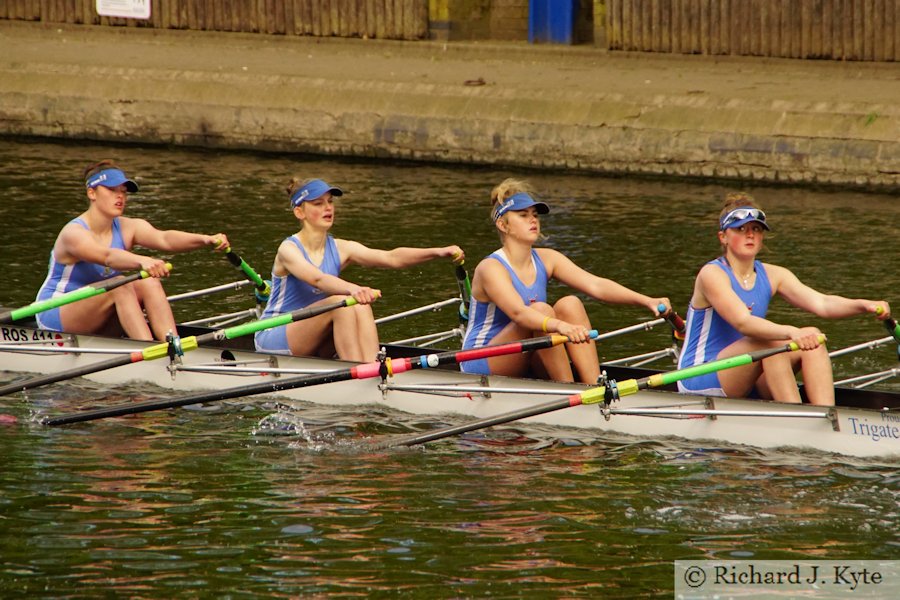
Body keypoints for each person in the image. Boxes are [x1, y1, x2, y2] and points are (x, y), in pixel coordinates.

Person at [676, 192, 891, 406]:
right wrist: (791, 332)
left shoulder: (774, 274)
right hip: (700, 375)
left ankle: (827, 415)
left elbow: (822, 303)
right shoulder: (711, 274)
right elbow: (743, 322)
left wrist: (864, 305)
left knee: (813, 336)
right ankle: (797, 417)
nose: (749, 235)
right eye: (740, 229)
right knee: (771, 340)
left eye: (756, 229)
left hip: (746, 370)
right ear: (723, 237)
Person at [460, 178, 671, 384]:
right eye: (523, 215)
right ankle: (569, 392)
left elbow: (596, 285)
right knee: (541, 310)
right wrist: (561, 326)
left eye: (535, 215)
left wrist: (646, 300)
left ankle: (594, 387)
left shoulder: (547, 258)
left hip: (523, 351)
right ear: (502, 225)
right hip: (481, 359)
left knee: (570, 303)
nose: (533, 220)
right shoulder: (491, 268)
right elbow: (519, 313)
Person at [253, 177, 464, 362]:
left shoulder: (341, 248)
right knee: (343, 302)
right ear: (299, 212)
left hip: (312, 333)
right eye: (318, 203)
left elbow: (391, 257)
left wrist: (437, 251)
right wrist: (353, 290)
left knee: (361, 305)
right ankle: (356, 370)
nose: (328, 208)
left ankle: (371, 367)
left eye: (330, 202)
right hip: (273, 335)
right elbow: (317, 279)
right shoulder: (288, 249)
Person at [34, 160, 230, 341]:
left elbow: (165, 239)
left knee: (149, 281)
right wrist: (142, 261)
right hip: (56, 316)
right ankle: (149, 351)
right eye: (111, 190)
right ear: (91, 193)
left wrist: (205, 239)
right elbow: (108, 256)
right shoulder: (73, 233)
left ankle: (173, 345)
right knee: (120, 285)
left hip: (97, 313)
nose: (120, 196)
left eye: (124, 191)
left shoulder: (128, 227)